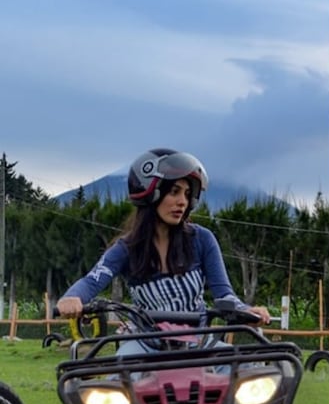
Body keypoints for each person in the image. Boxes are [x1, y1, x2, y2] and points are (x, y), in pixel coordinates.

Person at [56, 148, 271, 352]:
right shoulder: (125, 248)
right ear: (151, 194)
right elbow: (92, 281)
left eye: (187, 194)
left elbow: (224, 294)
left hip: (199, 343)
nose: (182, 202)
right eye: (174, 192)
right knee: (118, 378)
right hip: (144, 345)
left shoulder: (202, 239)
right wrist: (72, 298)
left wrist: (244, 310)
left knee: (242, 373)